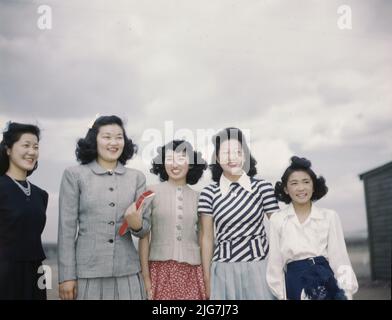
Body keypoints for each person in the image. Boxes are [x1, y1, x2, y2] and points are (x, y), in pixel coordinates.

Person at [57, 115, 150, 300]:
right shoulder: (74, 175)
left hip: (128, 274)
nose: (113, 142)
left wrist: (137, 224)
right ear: (94, 140)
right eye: (107, 137)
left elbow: (144, 229)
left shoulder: (136, 178)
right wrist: (66, 276)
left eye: (119, 137)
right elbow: (66, 229)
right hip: (87, 275)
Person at [198, 127, 279, 300]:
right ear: (218, 158)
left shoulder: (262, 187)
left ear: (245, 156)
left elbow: (278, 228)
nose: (232, 157)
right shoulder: (209, 193)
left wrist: (279, 266)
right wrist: (207, 277)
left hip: (260, 267)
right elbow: (206, 238)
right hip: (223, 270)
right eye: (226, 153)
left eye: (237, 152)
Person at [267, 156, 359, 300]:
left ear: (313, 185)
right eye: (294, 183)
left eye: (306, 182)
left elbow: (340, 259)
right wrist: (281, 296)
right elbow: (275, 265)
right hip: (294, 284)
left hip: (326, 282)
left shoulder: (329, 216)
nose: (301, 188)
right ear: (285, 189)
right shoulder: (277, 220)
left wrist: (346, 294)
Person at [139, 140, 207, 300]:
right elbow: (144, 236)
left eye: (181, 158)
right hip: (158, 270)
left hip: (192, 272)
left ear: (190, 164)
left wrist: (205, 276)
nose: (174, 164)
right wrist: (146, 276)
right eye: (169, 159)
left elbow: (204, 238)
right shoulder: (149, 192)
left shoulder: (199, 197)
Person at [0, 122, 48, 300]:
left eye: (35, 147)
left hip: (36, 273)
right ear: (8, 150)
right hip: (4, 275)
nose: (32, 151)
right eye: (26, 145)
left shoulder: (40, 194)